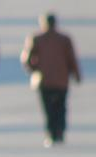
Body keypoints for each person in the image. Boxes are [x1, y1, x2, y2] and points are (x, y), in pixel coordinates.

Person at [21, 13, 81, 146]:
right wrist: (76, 75)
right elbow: (72, 59)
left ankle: (50, 133)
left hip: (44, 80)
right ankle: (59, 132)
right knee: (60, 107)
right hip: (61, 80)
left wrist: (34, 69)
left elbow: (26, 59)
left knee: (48, 109)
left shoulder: (36, 38)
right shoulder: (64, 39)